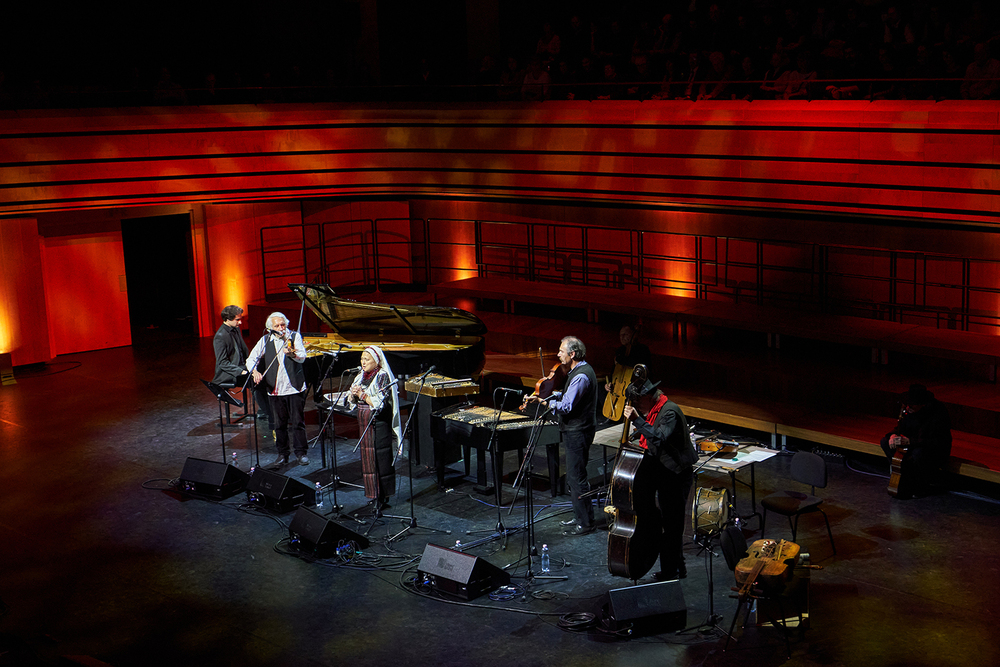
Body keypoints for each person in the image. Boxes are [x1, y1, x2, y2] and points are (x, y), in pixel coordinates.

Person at [622, 376, 697, 581]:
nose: (636, 405)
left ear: (648, 396)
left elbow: (660, 437)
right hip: (665, 472)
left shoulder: (669, 411)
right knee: (670, 525)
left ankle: (670, 572)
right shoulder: (656, 410)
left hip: (676, 475)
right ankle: (677, 568)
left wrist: (637, 420)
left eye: (638, 401)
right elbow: (653, 432)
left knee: (672, 526)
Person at [526, 336, 598, 535]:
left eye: (561, 351)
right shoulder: (577, 372)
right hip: (575, 430)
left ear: (572, 354)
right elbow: (567, 396)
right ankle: (579, 517)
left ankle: (586, 523)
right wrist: (551, 395)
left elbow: (566, 406)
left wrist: (545, 403)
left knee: (577, 477)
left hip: (578, 431)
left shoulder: (581, 376)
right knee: (574, 477)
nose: (558, 354)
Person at [246, 312, 309, 467]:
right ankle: (283, 454)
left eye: (283, 325)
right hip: (275, 389)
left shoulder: (294, 337)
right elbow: (251, 359)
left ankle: (301, 453)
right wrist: (254, 372)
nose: (281, 328)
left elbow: (302, 357)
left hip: (294, 388)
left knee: (297, 422)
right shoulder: (265, 340)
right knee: (279, 424)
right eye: (277, 326)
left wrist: (292, 354)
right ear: (270, 328)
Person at [348, 346, 402, 510]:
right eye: (362, 359)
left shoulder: (382, 376)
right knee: (368, 459)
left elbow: (380, 403)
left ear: (376, 361)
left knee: (381, 458)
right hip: (364, 422)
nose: (363, 362)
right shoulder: (360, 376)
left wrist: (362, 395)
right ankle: (373, 494)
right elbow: (352, 400)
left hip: (379, 423)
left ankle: (383, 496)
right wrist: (352, 393)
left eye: (367, 359)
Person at [880, 384, 952, 498]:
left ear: (922, 404)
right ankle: (903, 475)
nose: (908, 408)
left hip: (932, 449)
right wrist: (893, 435)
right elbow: (901, 426)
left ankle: (920, 483)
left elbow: (936, 442)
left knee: (918, 453)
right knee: (885, 442)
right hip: (913, 443)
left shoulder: (938, 413)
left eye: (911, 405)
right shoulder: (911, 411)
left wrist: (909, 442)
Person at [211, 305, 270, 424]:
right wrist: (241, 371)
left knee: (266, 369)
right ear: (227, 319)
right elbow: (222, 363)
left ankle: (264, 409)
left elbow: (242, 350)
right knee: (255, 380)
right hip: (229, 372)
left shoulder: (236, 329)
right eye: (237, 319)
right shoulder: (220, 337)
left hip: (242, 365)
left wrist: (253, 363)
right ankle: (268, 412)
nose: (241, 322)